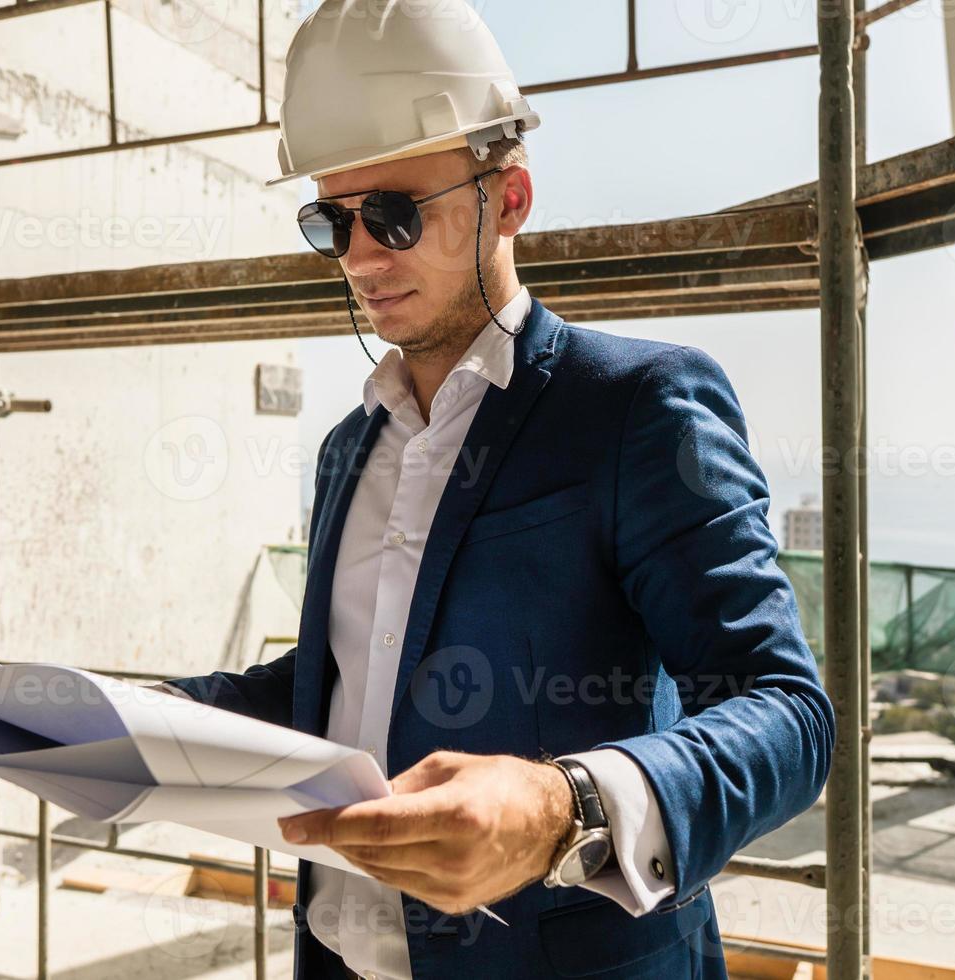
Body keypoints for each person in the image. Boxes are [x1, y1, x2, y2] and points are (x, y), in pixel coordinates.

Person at [158, 2, 834, 977]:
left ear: (508, 197)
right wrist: (147, 716)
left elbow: (786, 713)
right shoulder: (351, 447)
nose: (357, 256)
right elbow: (347, 679)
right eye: (331, 221)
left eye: (393, 214)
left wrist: (566, 808)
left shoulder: (637, 407)